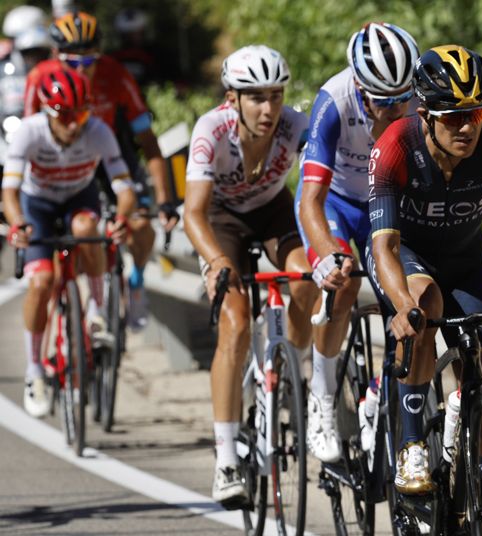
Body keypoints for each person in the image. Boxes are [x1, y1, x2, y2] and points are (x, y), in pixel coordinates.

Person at [368, 45, 482, 502]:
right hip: (408, 258)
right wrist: (403, 305)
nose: (467, 127)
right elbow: (384, 245)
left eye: (476, 113)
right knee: (423, 307)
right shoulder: (394, 146)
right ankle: (412, 443)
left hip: (466, 262)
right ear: (425, 113)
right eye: (452, 117)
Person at [183, 45, 317, 506]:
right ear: (232, 98)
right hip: (220, 220)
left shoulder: (295, 125)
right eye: (256, 97)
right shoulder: (211, 131)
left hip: (273, 210)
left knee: (307, 278)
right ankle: (225, 459)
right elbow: (193, 214)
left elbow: (326, 176)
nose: (268, 108)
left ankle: (296, 367)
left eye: (276, 96)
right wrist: (219, 263)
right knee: (236, 323)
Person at [296, 21, 419, 463]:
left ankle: (379, 393)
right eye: (384, 102)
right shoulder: (334, 100)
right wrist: (328, 253)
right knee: (343, 281)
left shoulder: (416, 97)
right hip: (337, 202)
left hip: (386, 203)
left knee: (411, 298)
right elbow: (310, 198)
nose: (395, 110)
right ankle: (323, 397)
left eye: (403, 99)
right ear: (360, 88)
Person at [24, 11, 179, 332]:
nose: (83, 70)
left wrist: (164, 201)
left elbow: (148, 143)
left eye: (89, 61)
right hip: (62, 161)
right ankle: (65, 326)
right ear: (55, 56)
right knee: (58, 254)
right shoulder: (40, 77)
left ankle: (135, 281)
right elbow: (28, 139)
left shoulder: (116, 74)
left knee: (139, 223)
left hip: (108, 155)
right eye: (73, 62)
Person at [2, 68, 135, 418]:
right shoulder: (28, 133)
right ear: (47, 112)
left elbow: (123, 186)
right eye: (65, 116)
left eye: (81, 114)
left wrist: (121, 219)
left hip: (80, 197)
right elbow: (10, 191)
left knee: (86, 227)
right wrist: (17, 224)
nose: (75, 125)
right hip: (38, 204)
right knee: (42, 281)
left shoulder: (98, 132)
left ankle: (95, 313)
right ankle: (34, 371)